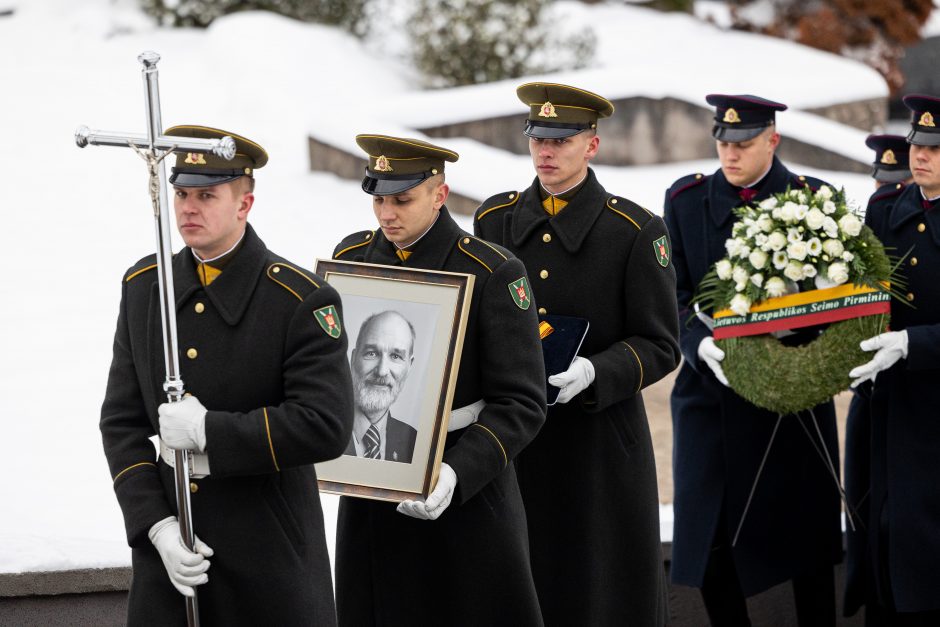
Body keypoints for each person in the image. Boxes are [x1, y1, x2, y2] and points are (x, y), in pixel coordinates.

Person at [99, 125, 353, 625]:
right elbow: (122, 424)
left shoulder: (298, 300)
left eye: (207, 195)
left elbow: (325, 424)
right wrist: (156, 527)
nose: (188, 209)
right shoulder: (146, 287)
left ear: (244, 204)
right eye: (181, 194)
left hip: (268, 557)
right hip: (172, 560)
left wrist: (208, 432)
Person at [474, 82, 680, 626]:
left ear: (592, 145)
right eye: (538, 137)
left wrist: (595, 371)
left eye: (561, 140)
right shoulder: (494, 222)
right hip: (517, 441)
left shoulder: (634, 231)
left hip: (599, 449)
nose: (546, 151)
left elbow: (661, 344)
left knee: (597, 590)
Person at [332, 134, 547, 626]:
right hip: (373, 495)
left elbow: (522, 402)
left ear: (439, 195)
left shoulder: (493, 271)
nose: (387, 214)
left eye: (402, 199)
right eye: (379, 199)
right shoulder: (353, 258)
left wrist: (456, 471)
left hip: (467, 495)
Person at [663, 95, 842, 627]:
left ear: (773, 140)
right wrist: (699, 345)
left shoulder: (814, 200)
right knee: (706, 538)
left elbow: (842, 300)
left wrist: (798, 328)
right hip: (710, 395)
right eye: (723, 142)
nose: (730, 153)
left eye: (743, 143)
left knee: (806, 538)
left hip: (789, 396)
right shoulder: (688, 200)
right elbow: (673, 293)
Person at [847, 94, 940, 625]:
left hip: (934, 409)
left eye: (933, 147)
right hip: (887, 407)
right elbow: (864, 289)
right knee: (880, 537)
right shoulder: (887, 208)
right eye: (915, 144)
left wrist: (913, 343)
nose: (919, 155)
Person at [843, 133, 912, 623]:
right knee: (872, 521)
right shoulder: (883, 212)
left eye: (901, 178)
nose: (890, 188)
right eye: (885, 180)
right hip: (877, 396)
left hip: (917, 396)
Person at [344, 310, 418, 463]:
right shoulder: (316, 431)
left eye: (396, 356)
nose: (382, 371)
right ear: (353, 359)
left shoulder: (416, 443)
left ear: (409, 367)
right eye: (371, 353)